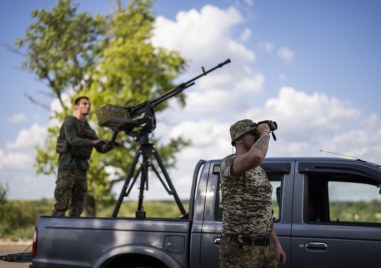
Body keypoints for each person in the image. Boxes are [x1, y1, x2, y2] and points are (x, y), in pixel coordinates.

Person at [219, 119, 286, 268]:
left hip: (265, 248)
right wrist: (265, 132)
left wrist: (276, 244)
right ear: (238, 139)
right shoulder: (228, 162)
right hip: (240, 250)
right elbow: (256, 156)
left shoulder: (259, 171)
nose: (257, 137)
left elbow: (265, 212)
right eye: (252, 134)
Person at [52, 96, 117, 217]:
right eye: (84, 104)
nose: (88, 106)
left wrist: (113, 143)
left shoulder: (88, 129)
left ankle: (72, 234)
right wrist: (92, 142)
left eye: (89, 104)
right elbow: (72, 140)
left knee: (78, 208)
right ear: (76, 107)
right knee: (62, 205)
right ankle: (52, 233)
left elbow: (101, 148)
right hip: (67, 169)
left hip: (81, 170)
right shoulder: (69, 122)